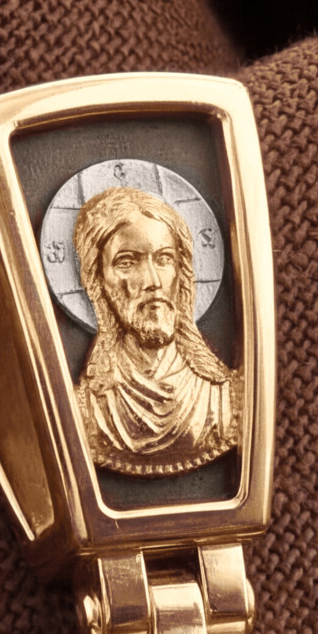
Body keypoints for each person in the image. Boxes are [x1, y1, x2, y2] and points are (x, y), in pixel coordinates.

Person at [71, 185, 241, 474]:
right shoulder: (83, 409)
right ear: (97, 281)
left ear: (182, 274)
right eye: (127, 262)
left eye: (164, 259)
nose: (153, 281)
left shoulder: (227, 399)